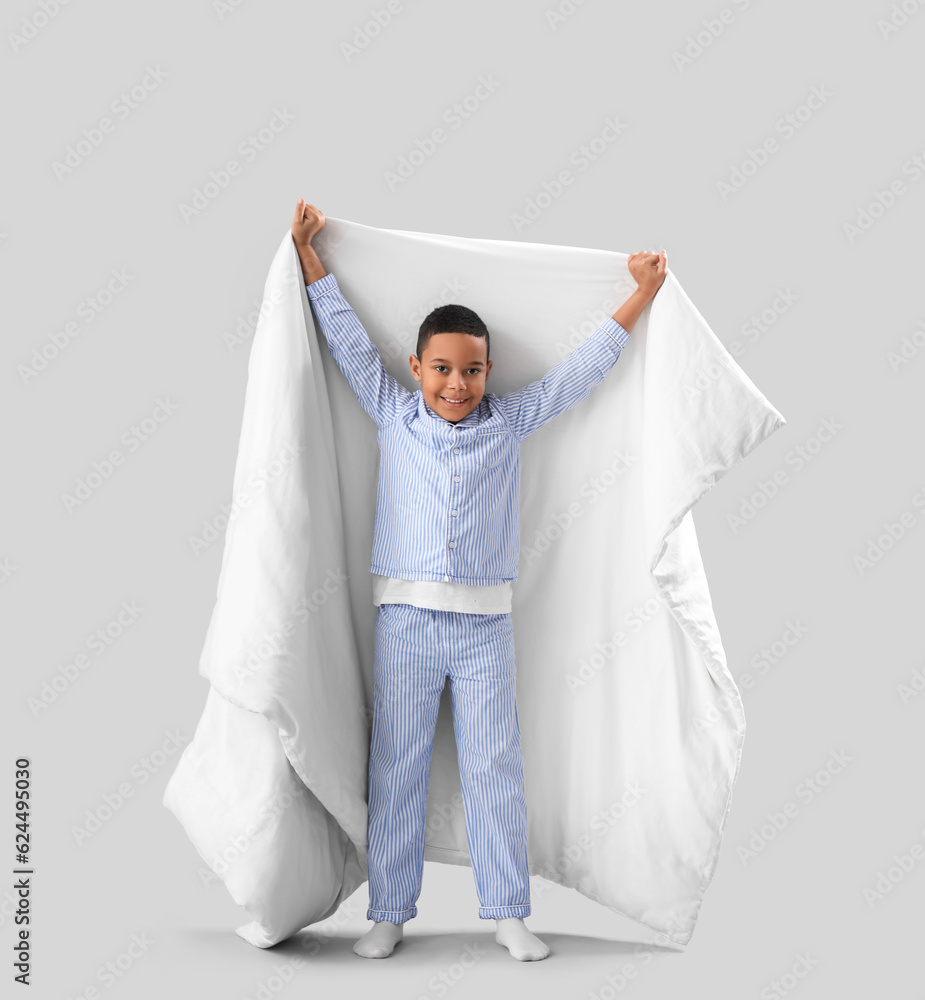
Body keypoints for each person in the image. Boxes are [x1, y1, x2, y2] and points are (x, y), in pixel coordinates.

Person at [291, 199, 667, 961]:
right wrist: (308, 255)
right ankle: (389, 910)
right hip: (405, 620)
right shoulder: (393, 414)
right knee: (395, 764)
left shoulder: (510, 419)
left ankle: (505, 910)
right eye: (441, 368)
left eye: (470, 370)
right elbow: (345, 343)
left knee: (493, 763)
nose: (455, 384)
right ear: (417, 369)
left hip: (485, 626)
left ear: (489, 372)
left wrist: (640, 294)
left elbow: (579, 373)